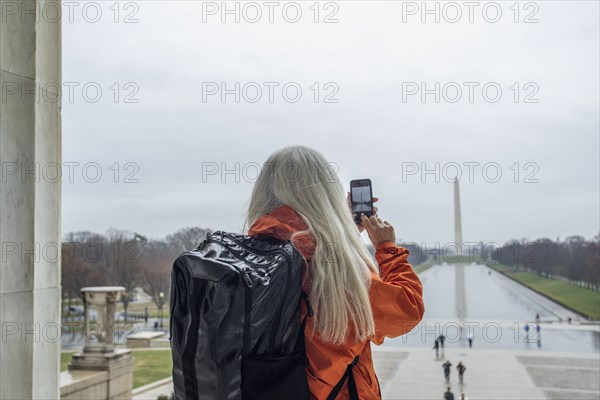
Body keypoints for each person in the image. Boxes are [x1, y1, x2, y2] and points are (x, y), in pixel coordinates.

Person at [246, 146, 425, 400]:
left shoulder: (254, 253)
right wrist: (388, 249)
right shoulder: (334, 272)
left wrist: (345, 229)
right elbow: (406, 311)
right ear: (323, 194)